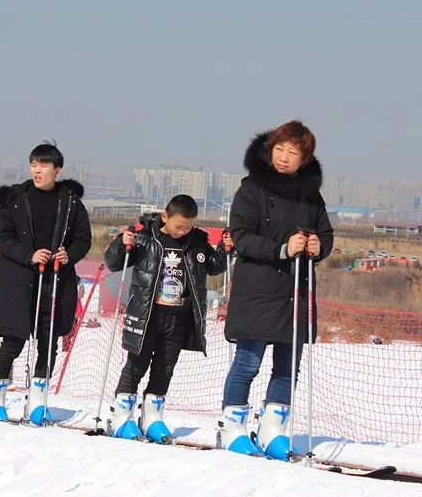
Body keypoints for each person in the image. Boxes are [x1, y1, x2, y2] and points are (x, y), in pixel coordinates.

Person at [218, 120, 333, 460]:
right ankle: (232, 426)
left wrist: (317, 247)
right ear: (270, 151)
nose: (284, 157)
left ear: (305, 158)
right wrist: (282, 248)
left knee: (287, 366)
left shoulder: (311, 196)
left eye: (293, 152)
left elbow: (325, 234)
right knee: (248, 363)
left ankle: (273, 429)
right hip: (257, 290)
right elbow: (242, 235)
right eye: (279, 149)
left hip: (294, 292)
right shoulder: (252, 189)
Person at [104, 195, 231, 441]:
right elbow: (113, 262)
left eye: (188, 227)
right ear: (165, 217)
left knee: (165, 369)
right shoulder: (145, 239)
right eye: (178, 226)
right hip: (147, 315)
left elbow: (214, 266)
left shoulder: (196, 242)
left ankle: (152, 417)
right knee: (136, 365)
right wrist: (122, 244)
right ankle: (121, 416)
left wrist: (226, 250)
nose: (182, 231)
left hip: (178, 318)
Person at [0, 141, 92, 424]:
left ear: (57, 170)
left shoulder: (71, 203)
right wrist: (29, 256)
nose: (37, 170)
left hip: (55, 282)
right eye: (33, 164)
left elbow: (83, 239)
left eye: (43, 165)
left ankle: (38, 402)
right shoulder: (14, 198)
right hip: (19, 282)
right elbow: (3, 237)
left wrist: (70, 254)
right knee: (13, 341)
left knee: (48, 342)